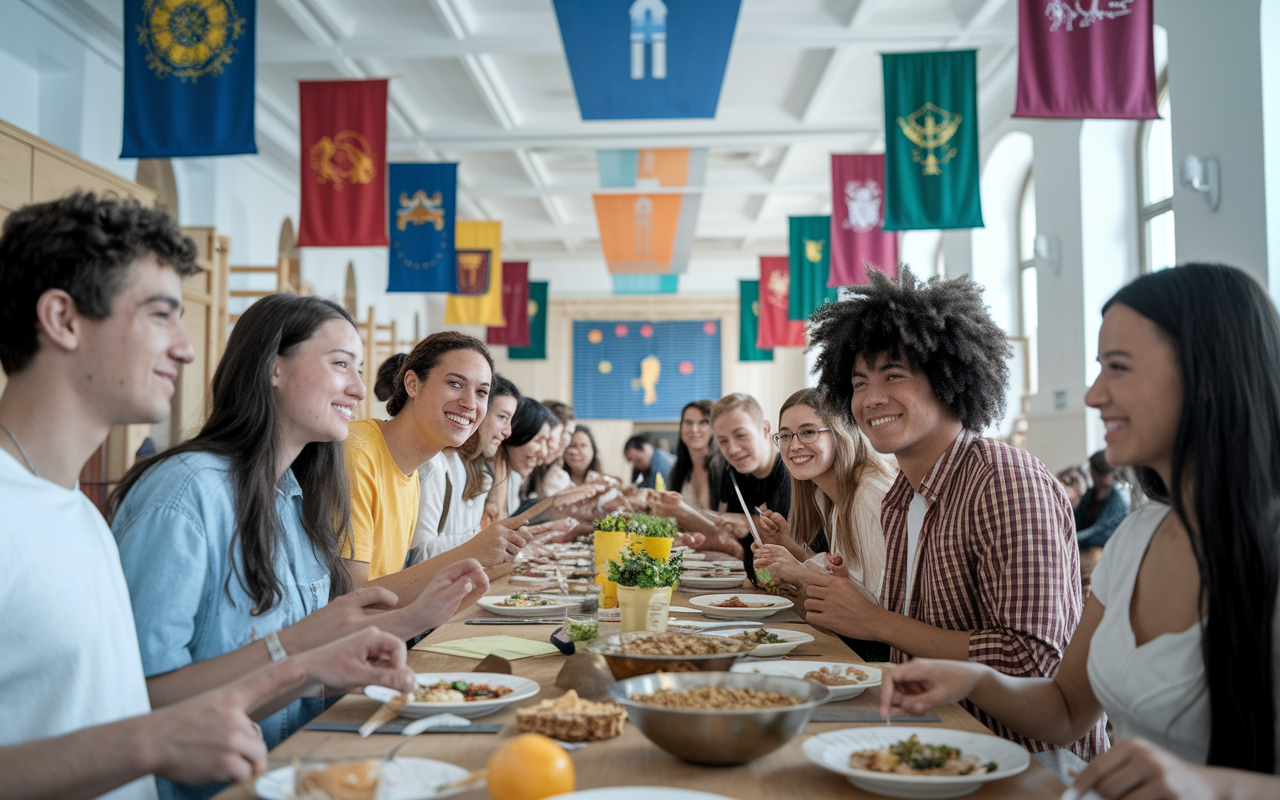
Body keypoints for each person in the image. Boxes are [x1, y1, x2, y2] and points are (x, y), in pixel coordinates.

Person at [0, 193, 414, 800]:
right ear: (63, 319)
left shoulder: (70, 514)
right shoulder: (176, 494)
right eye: (159, 315)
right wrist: (156, 738)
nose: (187, 347)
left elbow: (106, 708)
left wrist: (308, 665)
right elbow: (149, 709)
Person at [880, 264, 1280, 798]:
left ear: (1209, 376)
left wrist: (1214, 786)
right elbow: (1067, 710)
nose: (1093, 396)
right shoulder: (1138, 536)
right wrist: (971, 679)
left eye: (1118, 368)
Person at [109, 296, 488, 800]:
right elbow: (140, 701)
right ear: (273, 369)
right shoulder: (185, 495)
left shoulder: (294, 497)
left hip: (299, 767)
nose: (358, 388)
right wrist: (300, 654)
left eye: (357, 369)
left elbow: (303, 670)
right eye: (340, 365)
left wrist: (401, 625)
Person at [805, 267, 1104, 772]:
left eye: (893, 375)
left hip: (1029, 766)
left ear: (949, 377)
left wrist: (873, 620)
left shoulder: (1006, 483)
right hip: (939, 745)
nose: (870, 397)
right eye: (858, 382)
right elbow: (915, 638)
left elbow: (1034, 664)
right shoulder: (902, 496)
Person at [751, 389, 896, 660]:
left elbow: (881, 608)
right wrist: (786, 544)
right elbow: (845, 571)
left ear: (840, 432)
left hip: (879, 655)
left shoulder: (868, 494)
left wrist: (800, 573)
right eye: (785, 435)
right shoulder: (824, 494)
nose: (793, 446)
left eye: (808, 432)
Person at [409, 373, 521, 564]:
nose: (508, 431)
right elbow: (418, 556)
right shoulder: (436, 463)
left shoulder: (481, 472)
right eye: (502, 417)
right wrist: (485, 541)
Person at [666, 399, 723, 510]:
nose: (694, 429)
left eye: (703, 422)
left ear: (714, 428)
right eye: (688, 422)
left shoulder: (726, 469)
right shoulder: (678, 471)